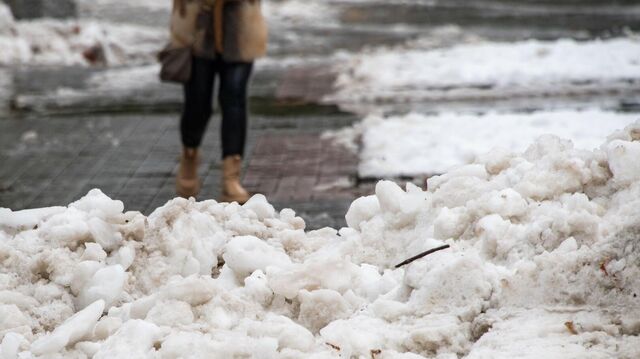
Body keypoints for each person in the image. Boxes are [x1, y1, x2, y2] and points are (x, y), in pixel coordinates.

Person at [168, 0, 267, 203]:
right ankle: (189, 154)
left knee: (235, 98)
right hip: (198, 20)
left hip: (240, 20)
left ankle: (231, 178)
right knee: (198, 101)